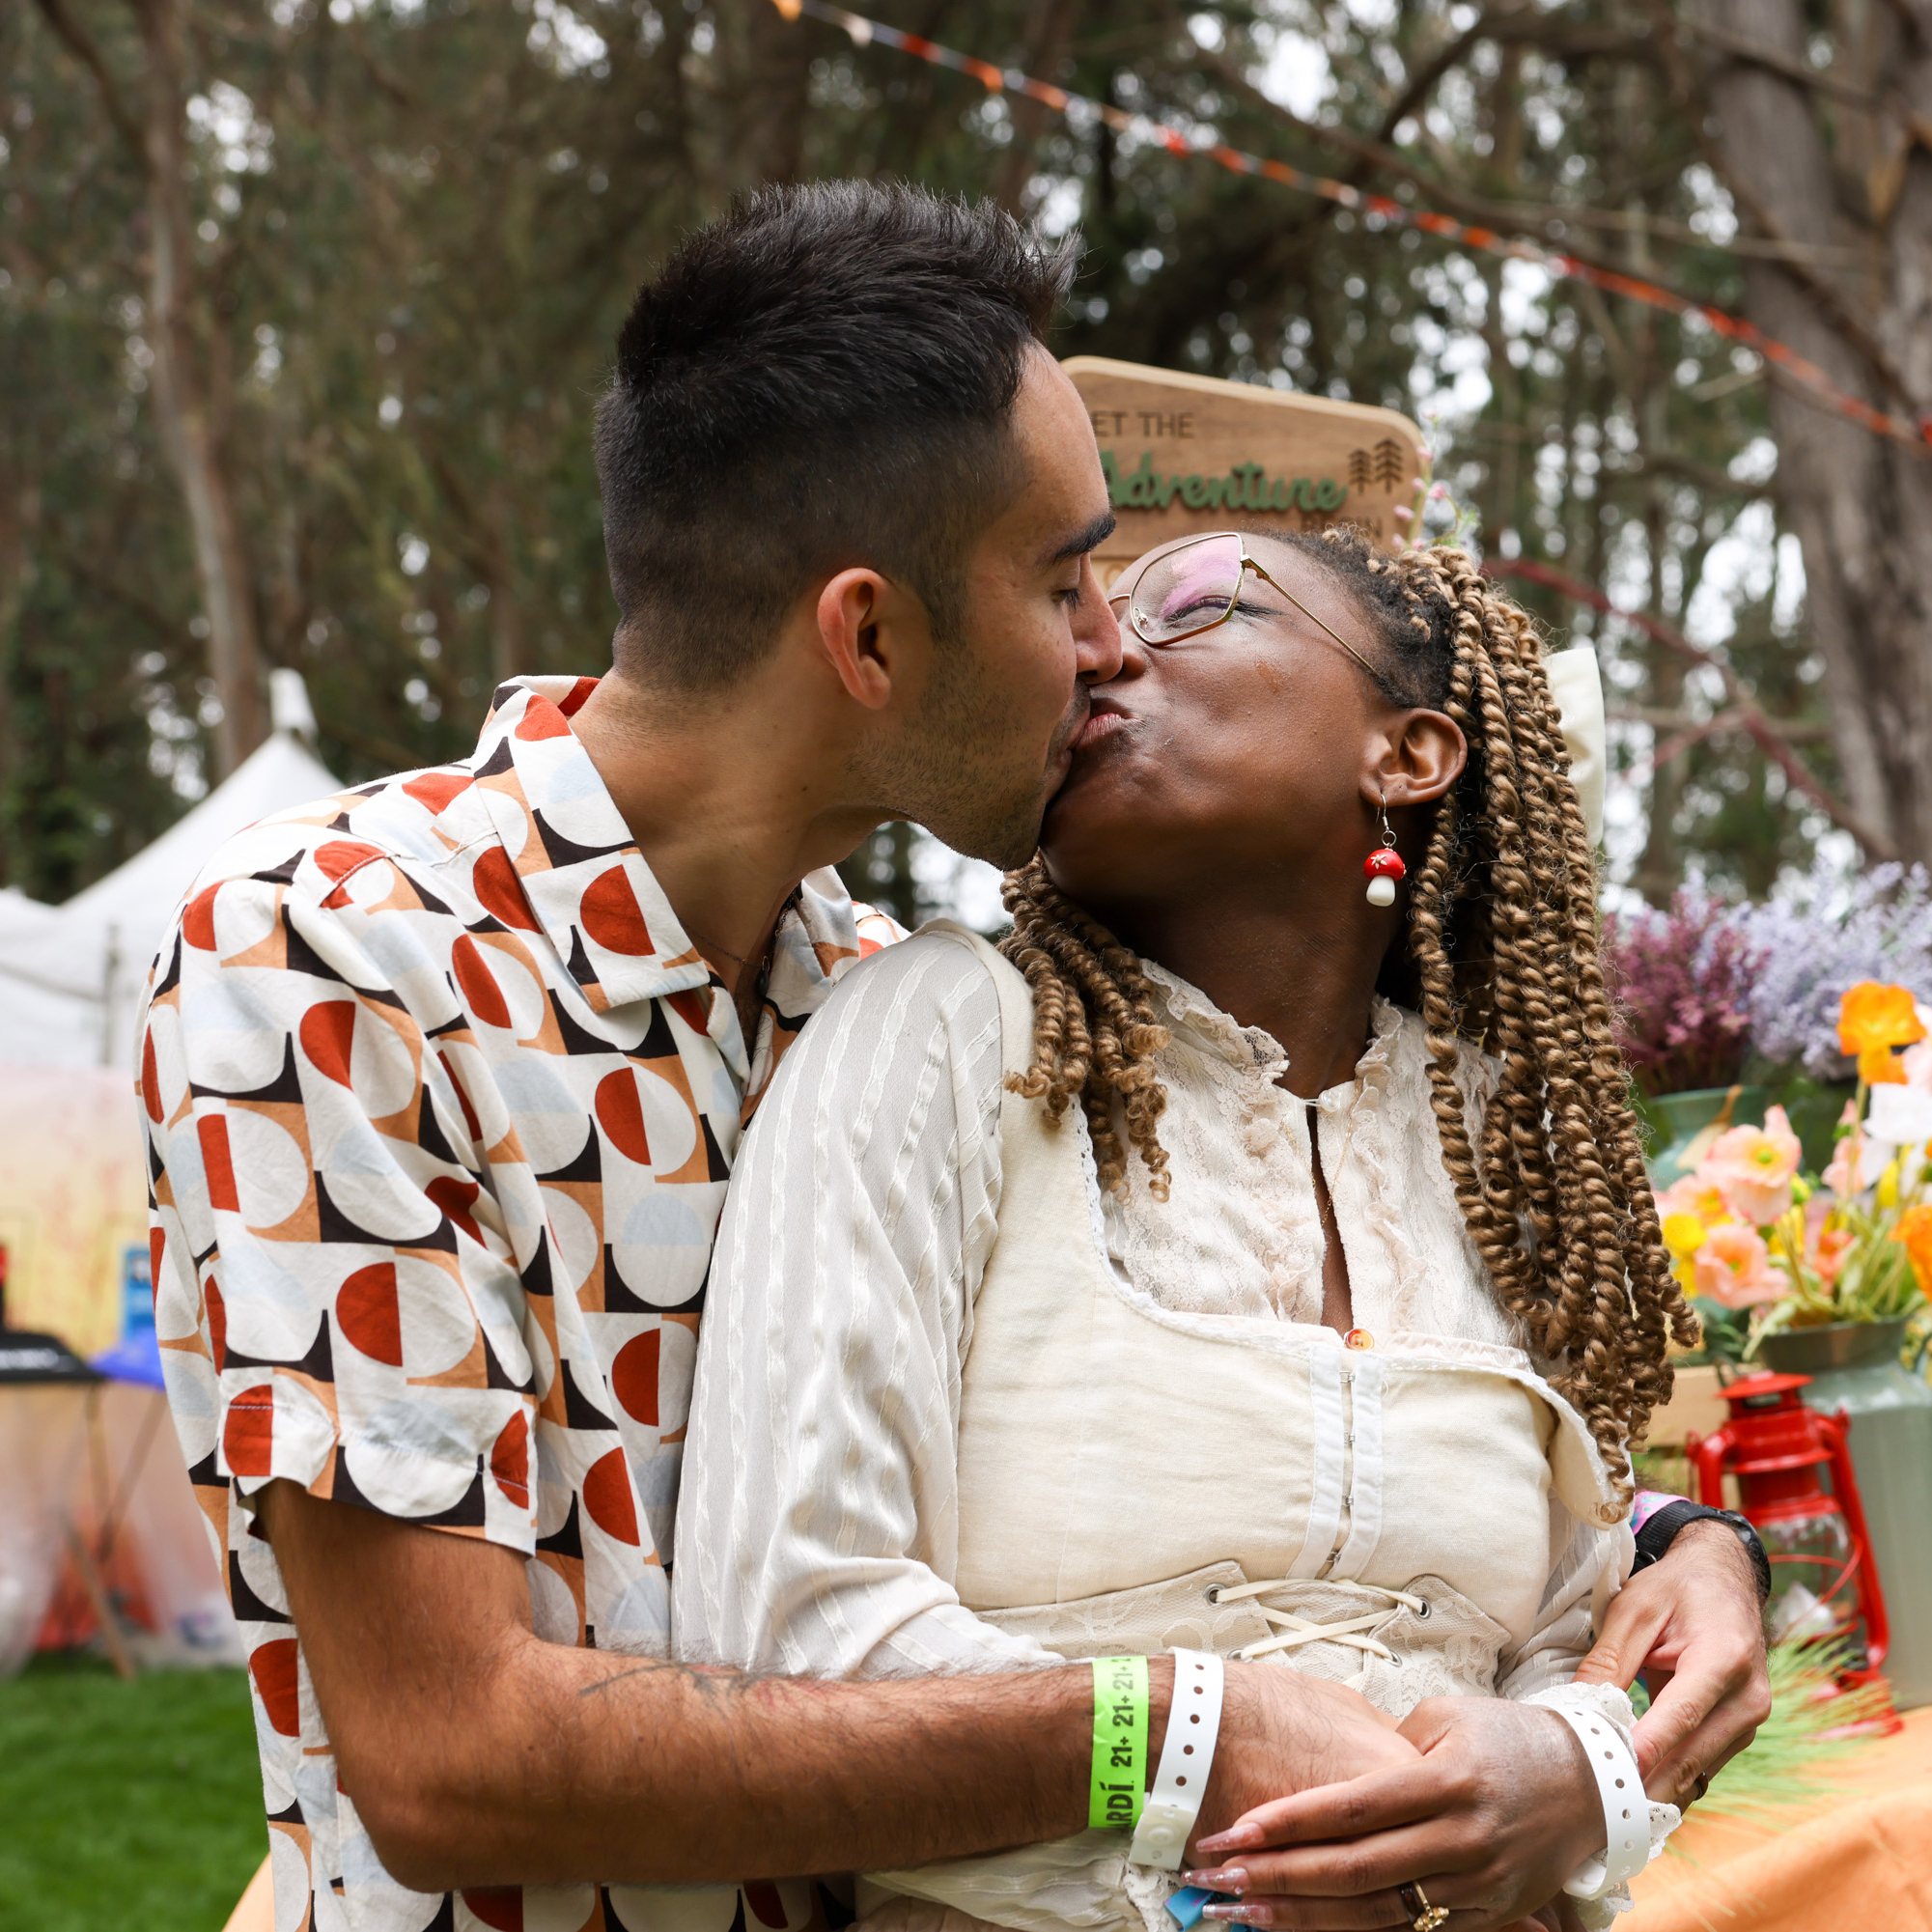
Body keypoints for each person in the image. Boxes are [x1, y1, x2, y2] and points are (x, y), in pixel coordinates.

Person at [673, 527, 1774, 1932]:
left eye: (1190, 604)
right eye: (1080, 614)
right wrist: (1190, 1747)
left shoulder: (1492, 1139)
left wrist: (1572, 1764)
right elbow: (775, 1640)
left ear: (1409, 753)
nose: (1100, 649)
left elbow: (1573, 1636)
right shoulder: (944, 1034)